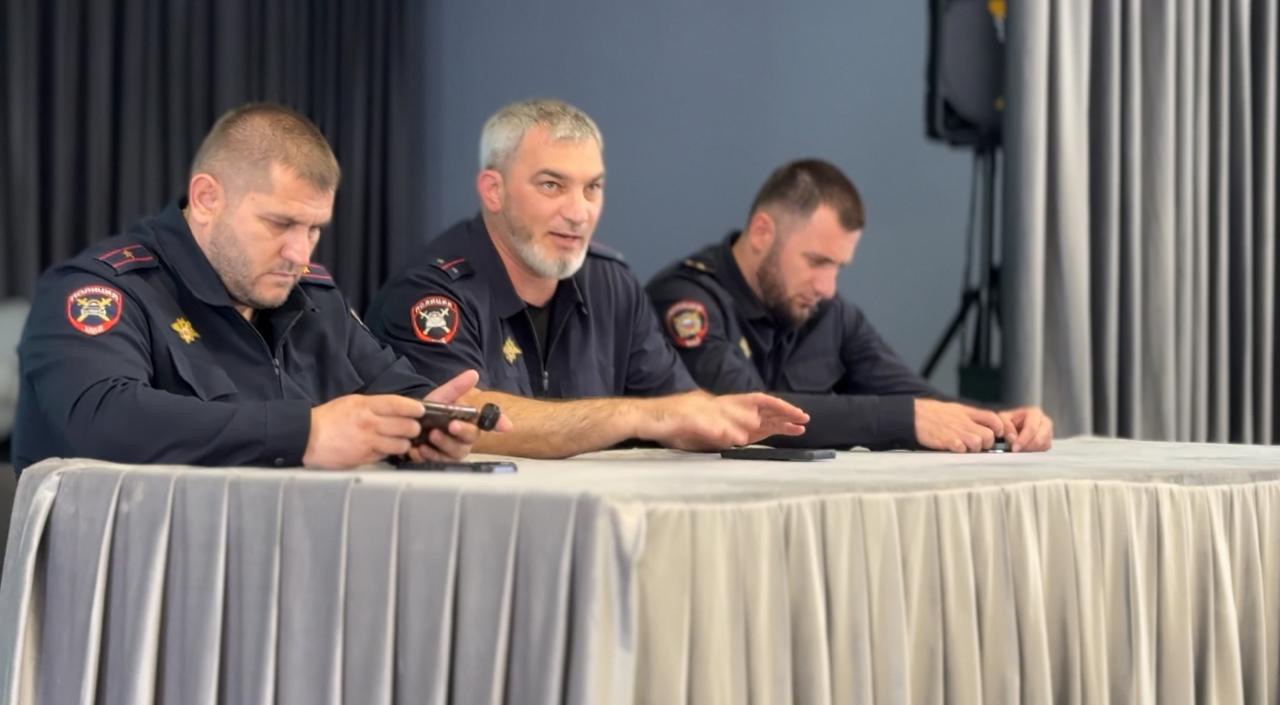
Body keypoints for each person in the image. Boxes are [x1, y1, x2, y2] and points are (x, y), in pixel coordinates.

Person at [13, 103, 503, 473]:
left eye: (313, 229)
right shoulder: (104, 289)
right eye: (280, 223)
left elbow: (392, 386)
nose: (300, 253)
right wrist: (305, 433)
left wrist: (427, 426)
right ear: (207, 198)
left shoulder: (313, 298)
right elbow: (102, 420)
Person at [365, 99, 807, 458]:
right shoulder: (431, 292)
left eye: (592, 187)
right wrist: (637, 416)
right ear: (493, 191)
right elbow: (464, 418)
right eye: (552, 185)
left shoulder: (612, 284)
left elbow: (675, 406)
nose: (579, 213)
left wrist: (719, 419)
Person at [646, 159, 1053, 453]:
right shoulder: (686, 301)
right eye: (816, 261)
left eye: (838, 267)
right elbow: (748, 412)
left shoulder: (828, 312)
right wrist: (904, 419)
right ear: (761, 232)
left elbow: (917, 398)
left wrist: (1004, 422)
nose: (827, 287)